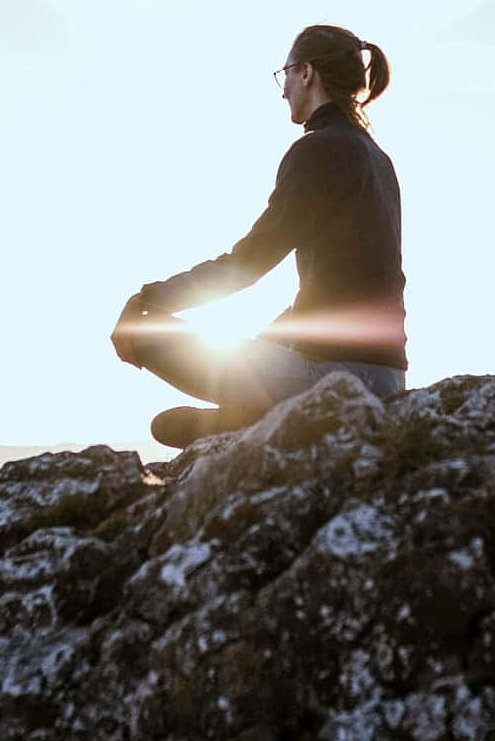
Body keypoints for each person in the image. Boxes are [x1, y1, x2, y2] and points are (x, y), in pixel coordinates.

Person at [110, 24, 407, 447]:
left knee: (142, 331)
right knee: (253, 349)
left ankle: (252, 420)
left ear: (307, 73)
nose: (283, 88)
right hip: (388, 378)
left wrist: (150, 299)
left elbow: (248, 263)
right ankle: (251, 419)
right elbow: (348, 287)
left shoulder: (319, 149)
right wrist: (268, 340)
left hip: (338, 380)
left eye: (286, 74)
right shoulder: (377, 158)